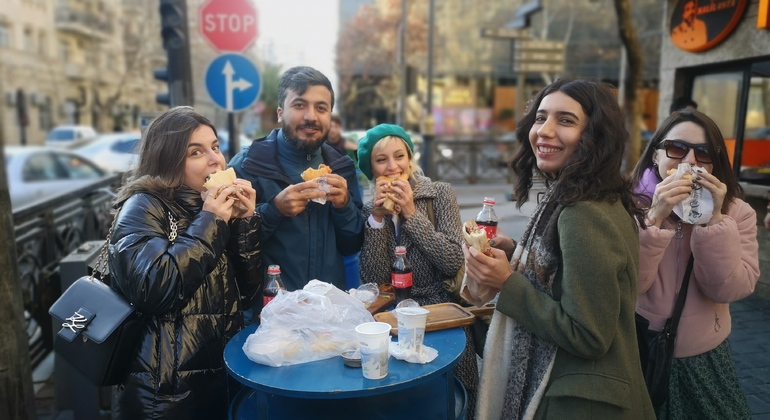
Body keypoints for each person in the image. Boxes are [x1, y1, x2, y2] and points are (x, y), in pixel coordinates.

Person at [464, 79, 655, 419]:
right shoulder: (583, 195)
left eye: (565, 120)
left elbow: (589, 335)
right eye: (540, 118)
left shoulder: (584, 213)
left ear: (595, 136)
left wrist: (508, 282)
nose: (545, 131)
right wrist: (515, 253)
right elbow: (571, 277)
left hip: (580, 402)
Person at [107, 106, 262, 419]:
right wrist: (211, 221)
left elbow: (247, 294)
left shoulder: (212, 208)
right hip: (167, 394)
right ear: (168, 161)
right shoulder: (142, 208)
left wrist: (246, 222)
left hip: (219, 378)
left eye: (215, 147)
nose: (215, 159)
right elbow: (155, 289)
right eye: (196, 152)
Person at [631, 108, 757, 419]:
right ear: (656, 156)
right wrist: (655, 218)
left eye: (702, 153)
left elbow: (729, 289)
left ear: (714, 163)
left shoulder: (737, 212)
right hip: (636, 346)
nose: (689, 162)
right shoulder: (626, 204)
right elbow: (628, 285)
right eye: (676, 149)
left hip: (704, 356)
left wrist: (714, 221)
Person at [356, 123, 479, 416]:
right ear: (370, 168)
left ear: (410, 159)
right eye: (381, 159)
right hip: (395, 323)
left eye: (399, 156)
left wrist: (411, 214)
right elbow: (372, 279)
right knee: (408, 404)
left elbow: (451, 259)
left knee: (454, 399)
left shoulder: (439, 194)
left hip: (441, 314)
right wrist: (377, 218)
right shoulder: (369, 209)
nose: (392, 166)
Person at [229, 66, 364, 292]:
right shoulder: (247, 165)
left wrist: (344, 207)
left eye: (321, 108)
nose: (310, 116)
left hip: (328, 307)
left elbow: (352, 245)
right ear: (280, 112)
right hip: (269, 309)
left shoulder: (342, 167)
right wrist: (274, 210)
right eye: (299, 105)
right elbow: (230, 247)